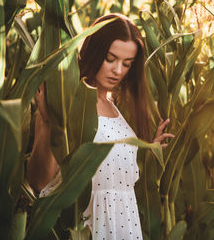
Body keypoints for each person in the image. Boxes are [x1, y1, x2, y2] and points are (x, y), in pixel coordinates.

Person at [27, 13, 174, 240]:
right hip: (83, 230)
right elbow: (39, 181)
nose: (118, 71)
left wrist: (148, 151)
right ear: (94, 52)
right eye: (110, 59)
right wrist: (48, 122)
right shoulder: (66, 102)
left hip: (124, 226)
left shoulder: (114, 104)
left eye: (127, 64)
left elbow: (119, 181)